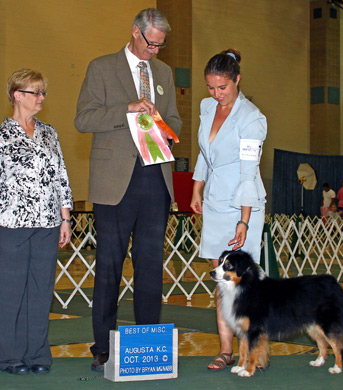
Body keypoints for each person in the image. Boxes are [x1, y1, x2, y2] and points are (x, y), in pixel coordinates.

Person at [74, 8, 182, 371]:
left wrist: (165, 127)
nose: (156, 51)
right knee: (108, 265)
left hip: (155, 177)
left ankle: (149, 345)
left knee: (151, 265)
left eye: (160, 46)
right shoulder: (101, 67)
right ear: (135, 32)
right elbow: (84, 118)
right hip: (114, 181)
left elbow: (176, 120)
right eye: (152, 43)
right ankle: (102, 347)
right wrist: (129, 110)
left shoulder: (164, 72)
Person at [190, 49, 267, 371]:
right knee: (223, 283)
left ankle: (255, 350)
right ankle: (225, 350)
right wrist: (196, 186)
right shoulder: (207, 108)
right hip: (214, 203)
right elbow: (205, 153)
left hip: (242, 205)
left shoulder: (252, 119)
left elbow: (248, 173)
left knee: (245, 286)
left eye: (223, 87)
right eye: (210, 87)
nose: (216, 94)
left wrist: (244, 222)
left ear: (237, 80)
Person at [0, 69, 73, 375]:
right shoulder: (2, 136)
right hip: (11, 223)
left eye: (43, 92)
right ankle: (9, 356)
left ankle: (38, 354)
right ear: (17, 95)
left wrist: (65, 217)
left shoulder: (49, 133)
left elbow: (61, 175)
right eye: (35, 93)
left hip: (47, 222)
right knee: (11, 292)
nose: (41, 98)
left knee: (41, 291)